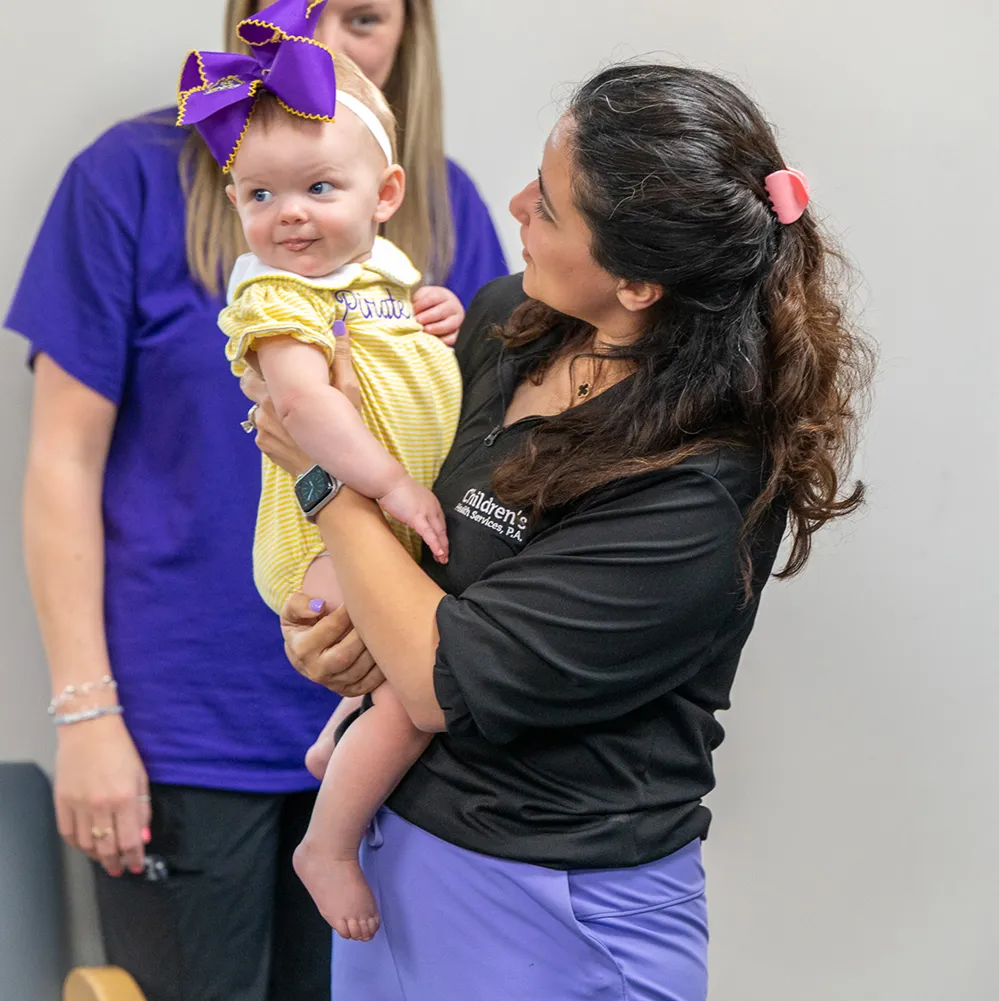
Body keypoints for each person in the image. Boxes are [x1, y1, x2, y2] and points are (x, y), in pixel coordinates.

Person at [245, 63, 871, 1000]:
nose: (512, 205)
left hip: (555, 901)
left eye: (547, 203)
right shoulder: (511, 324)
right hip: (391, 855)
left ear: (638, 280)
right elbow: (408, 546)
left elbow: (438, 674)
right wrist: (336, 632)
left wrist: (320, 474)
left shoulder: (702, 488)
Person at [6, 0, 506, 999]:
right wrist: (86, 714)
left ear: (411, 33)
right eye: (295, 7)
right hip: (186, 731)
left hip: (395, 717)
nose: (320, 44)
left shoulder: (442, 209)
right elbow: (62, 462)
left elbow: (491, 462)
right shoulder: (126, 181)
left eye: (362, 16)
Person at [183, 4, 460, 940]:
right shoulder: (273, 297)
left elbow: (397, 355)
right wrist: (385, 484)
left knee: (397, 678)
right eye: (260, 197)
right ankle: (328, 844)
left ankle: (334, 739)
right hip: (322, 536)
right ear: (234, 204)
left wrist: (437, 313)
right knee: (413, 697)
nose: (288, 214)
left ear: (383, 194)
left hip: (386, 531)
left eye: (317, 188)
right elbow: (300, 408)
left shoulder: (376, 273)